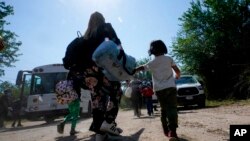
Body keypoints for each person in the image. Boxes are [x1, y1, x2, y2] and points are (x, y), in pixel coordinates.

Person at [135, 40, 181, 139]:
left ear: (151, 50)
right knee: (172, 108)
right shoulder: (169, 59)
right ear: (164, 48)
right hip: (170, 87)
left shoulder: (152, 62)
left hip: (159, 90)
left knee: (164, 109)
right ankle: (173, 131)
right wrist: (177, 76)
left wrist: (133, 70)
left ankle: (166, 130)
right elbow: (177, 70)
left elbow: (142, 68)